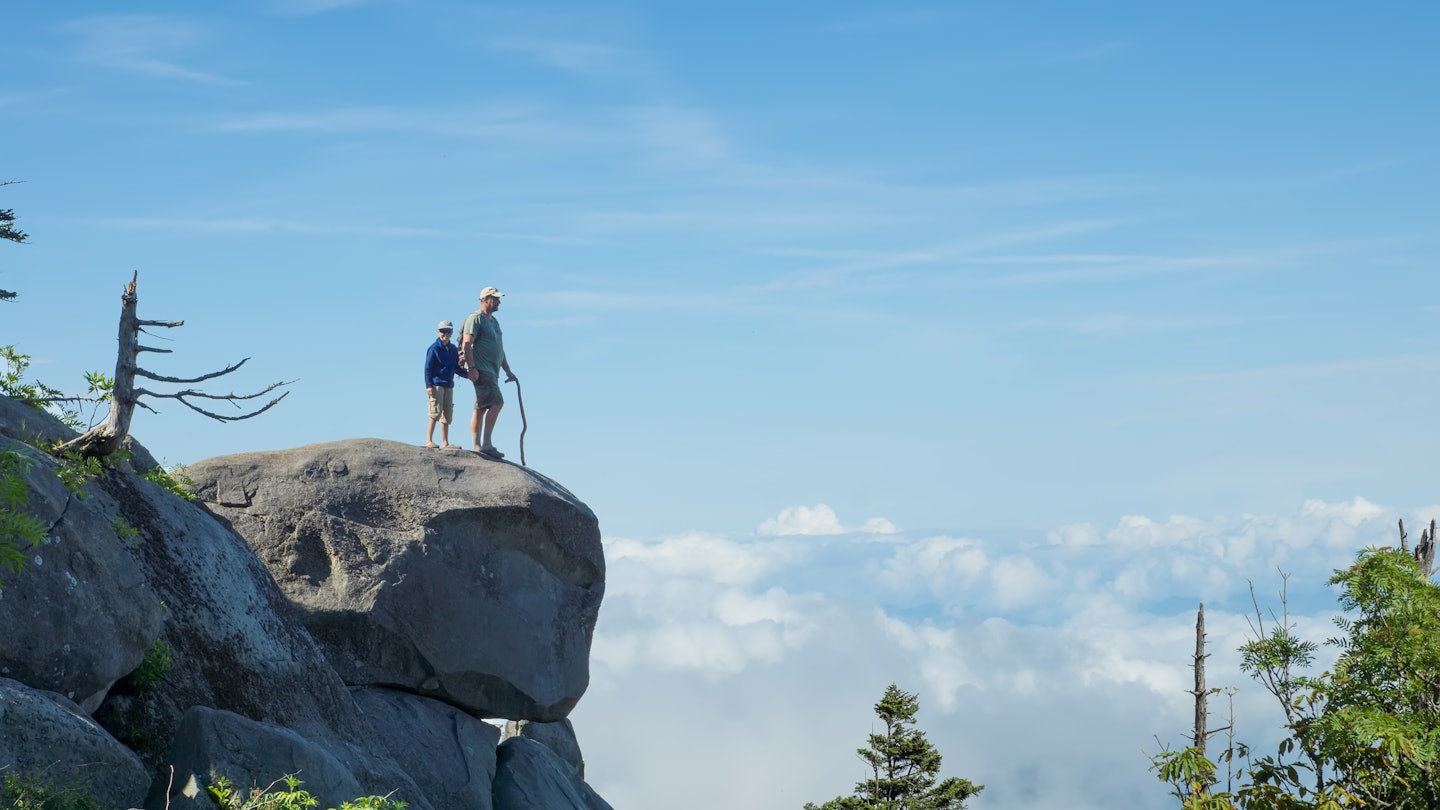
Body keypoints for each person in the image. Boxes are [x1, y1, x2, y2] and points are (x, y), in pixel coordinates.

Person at [461, 286, 517, 458]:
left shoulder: (494, 322)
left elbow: (499, 349)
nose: (499, 301)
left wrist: (508, 371)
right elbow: (467, 344)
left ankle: (477, 445)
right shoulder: (475, 318)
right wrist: (472, 368)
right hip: (481, 369)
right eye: (495, 298)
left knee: (481, 407)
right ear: (485, 299)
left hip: (492, 370)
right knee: (497, 403)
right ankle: (486, 444)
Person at [423, 320, 461, 449]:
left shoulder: (453, 349)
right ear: (438, 332)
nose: (446, 334)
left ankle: (445, 442)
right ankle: (429, 440)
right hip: (437, 384)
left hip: (449, 384)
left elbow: (456, 367)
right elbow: (427, 368)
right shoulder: (433, 348)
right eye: (443, 331)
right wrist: (429, 385)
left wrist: (469, 375)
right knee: (435, 412)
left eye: (448, 331)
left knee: (447, 414)